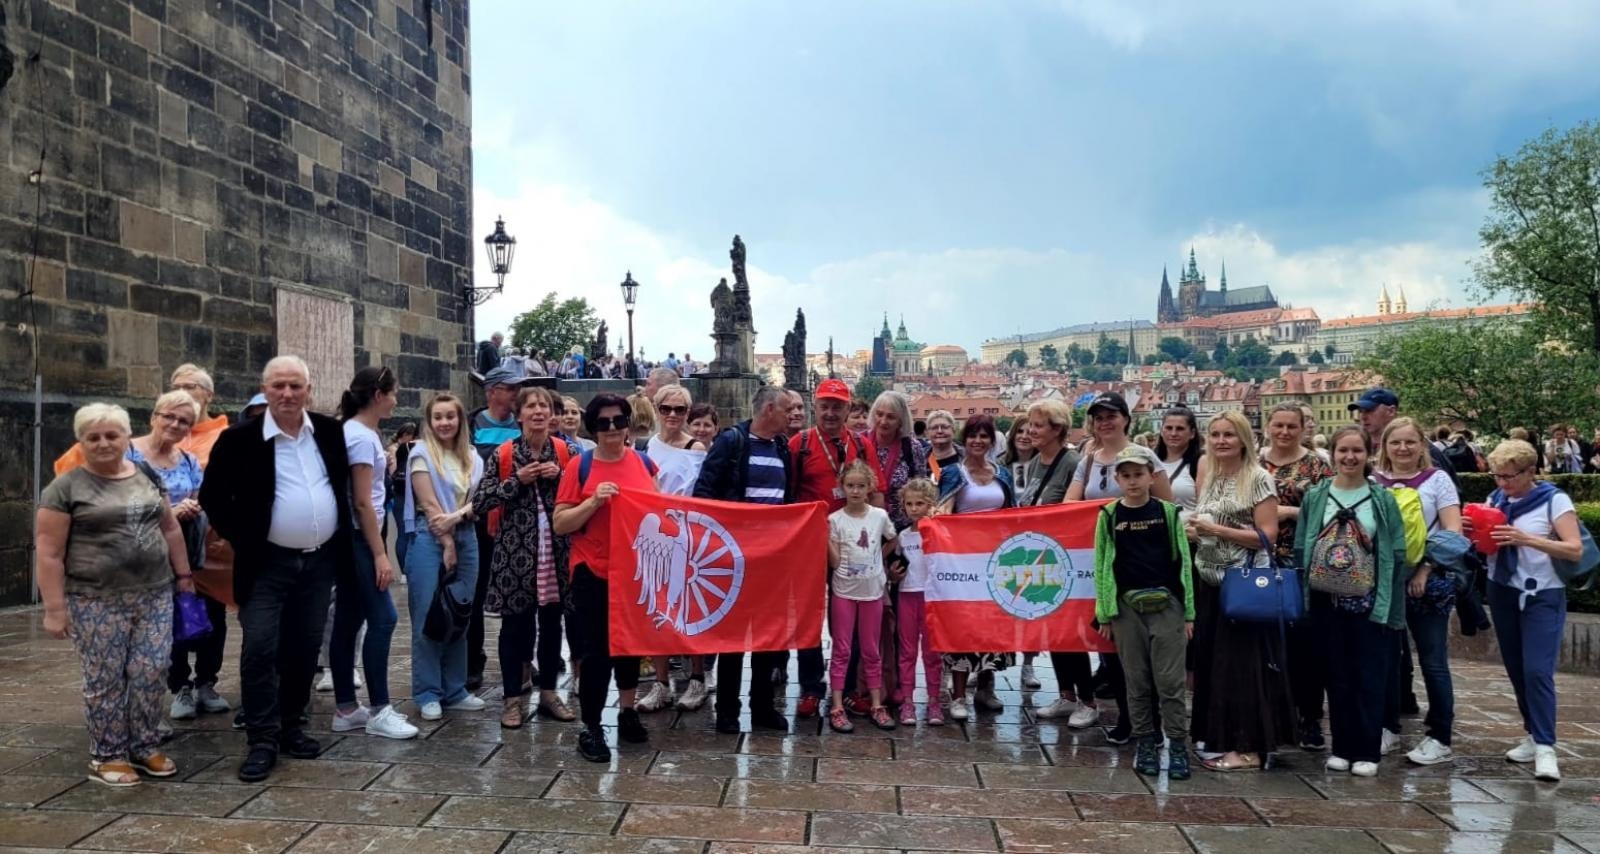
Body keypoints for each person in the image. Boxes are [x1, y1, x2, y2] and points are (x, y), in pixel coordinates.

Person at [201, 356, 352, 783]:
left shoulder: (329, 431)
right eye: (278, 386)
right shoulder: (238, 438)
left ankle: (291, 725)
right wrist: (246, 537)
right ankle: (262, 739)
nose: (287, 393)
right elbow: (213, 497)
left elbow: (341, 488)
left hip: (319, 561)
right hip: (266, 563)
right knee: (260, 648)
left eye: (295, 386)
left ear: (308, 390)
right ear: (265, 390)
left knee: (304, 647)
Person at [37, 403, 195, 786]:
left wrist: (184, 575)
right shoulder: (65, 488)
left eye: (112, 435)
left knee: (151, 669)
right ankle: (107, 755)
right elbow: (48, 552)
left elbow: (170, 528)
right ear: (81, 441)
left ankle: (144, 745)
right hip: (95, 598)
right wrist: (55, 608)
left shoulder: (146, 474)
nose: (103, 443)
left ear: (127, 437)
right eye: (93, 437)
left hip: (154, 593)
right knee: (105, 677)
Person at [1294, 426, 1409, 778]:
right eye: (1343, 450)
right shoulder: (1316, 496)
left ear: (1368, 454)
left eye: (1357, 450)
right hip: (1325, 599)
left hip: (1368, 600)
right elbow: (1302, 543)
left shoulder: (1382, 499)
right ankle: (1342, 747)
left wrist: (1390, 599)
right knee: (1336, 675)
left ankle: (1367, 750)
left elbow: (1397, 550)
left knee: (1370, 675)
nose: (1349, 457)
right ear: (1332, 454)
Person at [554, 394, 659, 761]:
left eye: (619, 420)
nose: (612, 428)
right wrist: (593, 501)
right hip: (593, 570)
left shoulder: (644, 463)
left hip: (635, 571)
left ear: (628, 423)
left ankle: (627, 711)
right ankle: (592, 725)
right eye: (603, 422)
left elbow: (660, 510)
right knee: (596, 651)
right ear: (593, 428)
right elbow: (561, 522)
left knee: (630, 645)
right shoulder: (579, 467)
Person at [1065, 391, 1173, 745]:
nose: (1104, 422)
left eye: (1111, 415)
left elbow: (1167, 507)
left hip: (1141, 564)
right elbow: (1069, 504)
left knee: (1142, 649)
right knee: (1111, 645)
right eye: (1098, 417)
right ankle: (1129, 717)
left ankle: (1151, 721)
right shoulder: (1088, 460)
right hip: (1102, 563)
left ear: (1126, 419)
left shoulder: (1145, 457)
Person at [1186, 411, 1289, 772]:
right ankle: (1218, 737)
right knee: (1215, 666)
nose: (1221, 441)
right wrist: (1195, 532)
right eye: (1215, 434)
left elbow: (1268, 536)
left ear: (1243, 439)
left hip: (1242, 585)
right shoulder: (1212, 475)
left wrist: (1217, 531)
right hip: (1210, 581)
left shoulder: (1258, 478)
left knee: (1243, 667)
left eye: (1229, 434)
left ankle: (1249, 748)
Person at [472, 387, 578, 728]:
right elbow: (481, 502)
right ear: (519, 415)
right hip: (514, 556)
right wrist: (515, 481)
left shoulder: (565, 452)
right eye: (531, 406)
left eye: (544, 405)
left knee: (551, 625)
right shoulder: (504, 454)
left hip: (556, 553)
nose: (538, 411)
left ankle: (548, 693)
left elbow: (581, 494)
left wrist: (560, 476)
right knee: (514, 628)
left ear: (551, 414)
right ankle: (512, 699)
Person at [693, 385, 797, 734]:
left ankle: (763, 707)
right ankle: (727, 710)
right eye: (786, 410)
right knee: (733, 638)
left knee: (768, 635)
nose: (792, 416)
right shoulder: (731, 442)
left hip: (773, 557)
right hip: (735, 556)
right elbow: (704, 493)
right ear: (769, 410)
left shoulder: (782, 447)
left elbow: (787, 499)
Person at [1475, 439, 1579, 782]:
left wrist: (1527, 539)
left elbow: (1574, 549)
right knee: (1517, 669)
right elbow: (1487, 546)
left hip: (1542, 593)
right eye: (1497, 476)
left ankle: (1547, 746)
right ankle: (1533, 734)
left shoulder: (1553, 499)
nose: (1503, 483)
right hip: (1502, 589)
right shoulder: (1496, 499)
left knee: (1537, 670)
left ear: (1530, 471)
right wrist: (1475, 532)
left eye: (1509, 476)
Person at [1093, 446, 1195, 781]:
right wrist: (1105, 613)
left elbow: (1183, 563)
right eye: (1126, 475)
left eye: (1139, 474)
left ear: (1152, 477)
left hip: (1167, 604)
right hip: (1126, 608)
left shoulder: (1167, 513)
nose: (1133, 481)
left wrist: (1189, 613)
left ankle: (1177, 745)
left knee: (1170, 682)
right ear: (1117, 479)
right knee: (1136, 681)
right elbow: (1101, 565)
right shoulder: (1109, 515)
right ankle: (1146, 742)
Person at [328, 367, 417, 740]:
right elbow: (363, 502)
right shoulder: (361, 436)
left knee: (349, 618)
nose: (396, 400)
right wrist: (380, 554)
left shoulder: (357, 431)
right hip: (360, 538)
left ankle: (346, 708)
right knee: (383, 619)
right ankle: (380, 709)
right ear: (379, 395)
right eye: (393, 393)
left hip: (355, 537)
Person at [127, 392, 227, 724]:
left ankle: (204, 683)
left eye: (184, 421)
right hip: (142, 558)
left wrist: (193, 509)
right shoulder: (127, 454)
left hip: (187, 554)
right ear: (153, 417)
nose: (175, 424)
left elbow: (200, 500)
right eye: (169, 416)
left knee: (199, 618)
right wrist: (171, 511)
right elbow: (118, 505)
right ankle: (175, 688)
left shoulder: (187, 460)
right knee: (155, 630)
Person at [1372, 417, 1461, 766]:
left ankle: (1440, 735)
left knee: (1433, 660)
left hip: (1427, 579)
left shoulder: (1437, 480)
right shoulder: (1374, 480)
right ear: (1385, 446)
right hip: (1383, 580)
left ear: (1422, 445)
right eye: (1395, 442)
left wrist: (1426, 568)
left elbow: (1452, 532)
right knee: (1386, 658)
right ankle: (1387, 726)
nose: (1403, 448)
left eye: (1410, 442)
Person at [786, 378, 872, 718]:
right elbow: (789, 495)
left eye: (838, 406)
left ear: (848, 409)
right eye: (825, 406)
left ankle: (847, 688)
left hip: (852, 544)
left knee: (848, 620)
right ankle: (811, 687)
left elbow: (876, 492)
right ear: (815, 407)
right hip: (810, 544)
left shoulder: (860, 445)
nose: (831, 412)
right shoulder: (801, 443)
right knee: (808, 617)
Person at [404, 393, 485, 721]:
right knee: (428, 615)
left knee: (460, 613)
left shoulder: (473, 456)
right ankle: (427, 692)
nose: (444, 422)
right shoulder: (421, 454)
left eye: (450, 416)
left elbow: (478, 500)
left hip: (468, 535)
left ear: (460, 419)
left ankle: (455, 688)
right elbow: (428, 504)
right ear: (429, 421)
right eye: (437, 417)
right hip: (430, 537)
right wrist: (447, 542)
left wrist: (458, 525)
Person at [1259, 403, 1333, 752]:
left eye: (1292, 426)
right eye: (1278, 425)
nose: (1284, 432)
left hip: (1300, 562)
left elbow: (1331, 511)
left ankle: (1309, 716)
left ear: (1303, 428)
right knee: (1266, 643)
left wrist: (1287, 511)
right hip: (1260, 559)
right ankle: (1274, 716)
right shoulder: (1254, 462)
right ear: (1268, 427)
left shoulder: (1317, 465)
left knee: (1304, 644)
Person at [636, 384, 711, 712]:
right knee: (656, 608)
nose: (672, 415)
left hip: (687, 535)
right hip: (654, 533)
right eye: (666, 408)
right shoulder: (644, 446)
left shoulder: (696, 448)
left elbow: (702, 493)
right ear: (656, 409)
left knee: (689, 609)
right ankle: (661, 682)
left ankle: (697, 677)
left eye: (680, 410)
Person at [1019, 400, 1095, 728]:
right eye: (1030, 424)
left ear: (1058, 429)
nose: (1030, 431)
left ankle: (1087, 700)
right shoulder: (1036, 461)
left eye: (1038, 425)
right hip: (1044, 557)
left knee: (1072, 633)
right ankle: (1066, 695)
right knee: (1054, 631)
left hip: (1067, 558)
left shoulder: (1072, 462)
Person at [935, 415, 1015, 720]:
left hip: (996, 559)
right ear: (964, 439)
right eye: (973, 436)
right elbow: (944, 509)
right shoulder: (953, 472)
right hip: (963, 559)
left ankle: (985, 687)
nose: (978, 441)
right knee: (964, 625)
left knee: (992, 626)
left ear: (992, 441)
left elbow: (1012, 513)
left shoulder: (1002, 473)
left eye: (984, 436)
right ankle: (957, 695)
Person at [466, 366, 532, 690]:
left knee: (520, 593)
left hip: (517, 521)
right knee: (475, 592)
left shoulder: (522, 425)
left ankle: (523, 660)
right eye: (510, 388)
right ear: (492, 391)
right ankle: (472, 661)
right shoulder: (471, 424)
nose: (517, 393)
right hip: (480, 519)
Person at [826, 460, 899, 733]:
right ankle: (837, 706)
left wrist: (880, 558)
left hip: (872, 592)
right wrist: (826, 538)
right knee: (842, 650)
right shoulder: (835, 520)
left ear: (870, 488)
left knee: (871, 649)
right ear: (842, 487)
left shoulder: (879, 516)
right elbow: (834, 562)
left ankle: (877, 703)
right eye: (850, 486)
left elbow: (893, 538)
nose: (855, 491)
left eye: (860, 486)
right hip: (844, 591)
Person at [893, 477, 941, 726]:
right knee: (907, 651)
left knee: (932, 652)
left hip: (932, 598)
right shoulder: (902, 536)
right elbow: (896, 566)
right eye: (909, 504)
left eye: (919, 503)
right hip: (907, 596)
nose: (913, 509)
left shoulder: (939, 531)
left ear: (930, 504)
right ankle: (908, 701)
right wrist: (893, 575)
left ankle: (934, 701)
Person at [1349, 387, 1456, 484]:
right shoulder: (1361, 448)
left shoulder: (1422, 448)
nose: (1363, 416)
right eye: (1360, 411)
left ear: (1391, 411)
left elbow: (1451, 491)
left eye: (1369, 410)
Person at [1155, 406, 1204, 512]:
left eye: (1180, 429)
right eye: (1169, 428)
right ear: (1162, 431)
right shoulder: (1151, 461)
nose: (1173, 433)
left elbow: (1205, 507)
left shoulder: (1200, 462)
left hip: (1187, 521)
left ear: (1192, 433)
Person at [925, 410, 960, 480]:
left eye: (944, 427)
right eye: (934, 428)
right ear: (927, 433)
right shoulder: (918, 459)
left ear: (953, 431)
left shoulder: (967, 458)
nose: (939, 431)